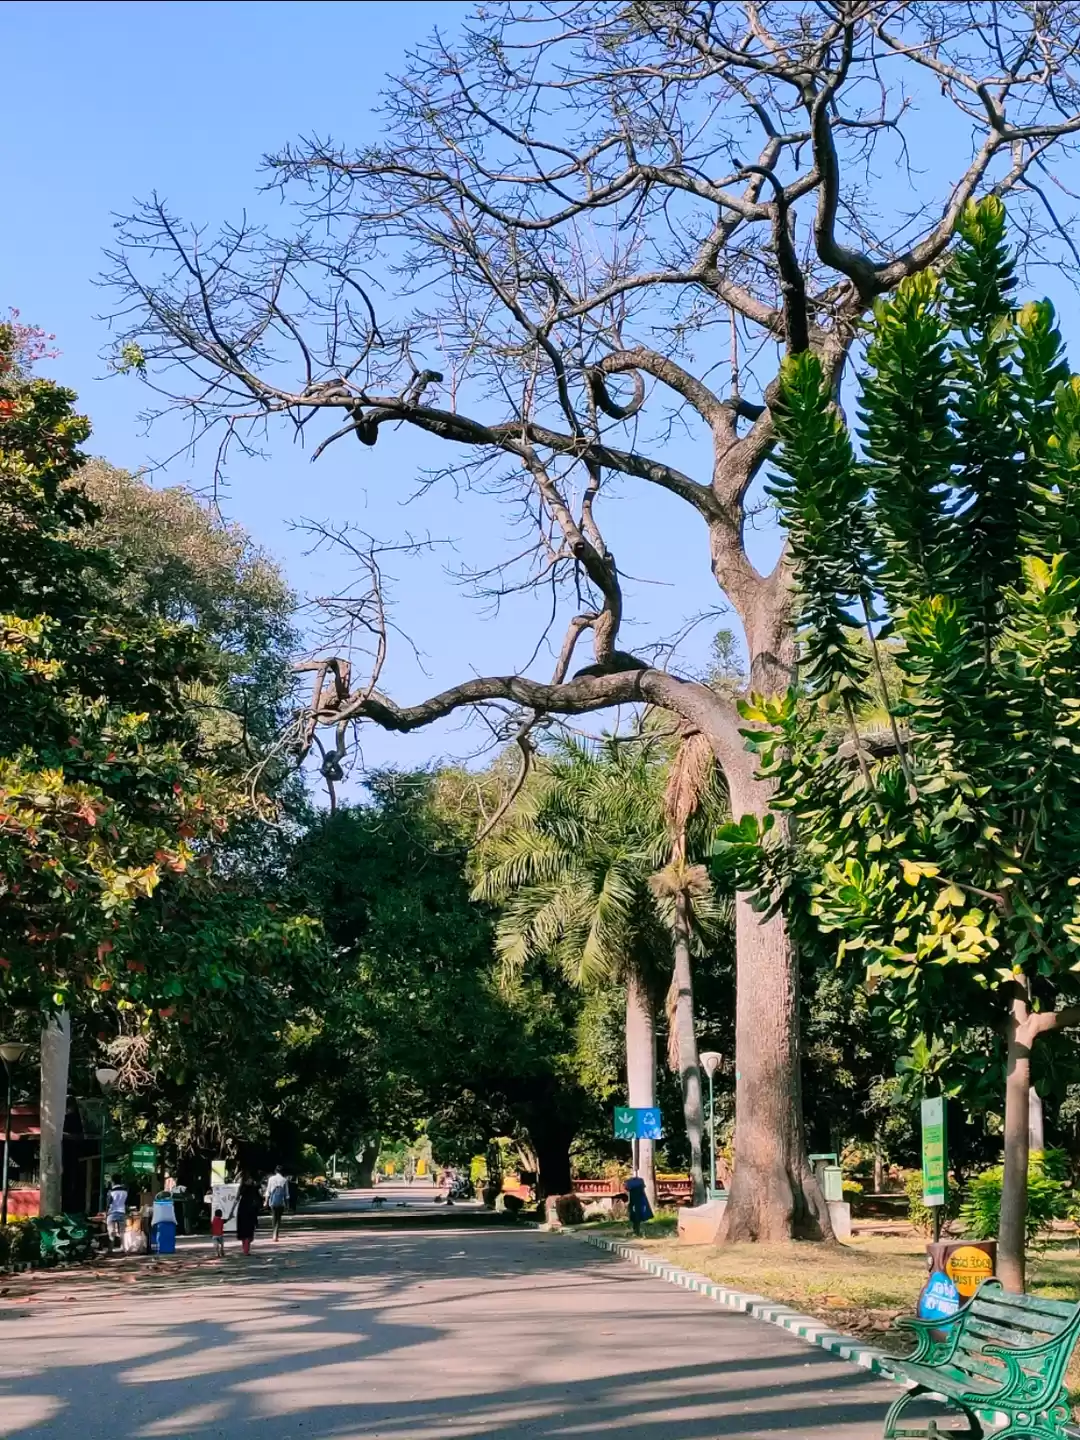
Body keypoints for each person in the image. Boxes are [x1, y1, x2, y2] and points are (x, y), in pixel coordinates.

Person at [234, 1175, 260, 1256]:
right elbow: (258, 1199)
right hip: (250, 1209)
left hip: (243, 1209)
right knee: (249, 1231)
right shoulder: (253, 1188)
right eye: (249, 1179)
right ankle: (246, 1249)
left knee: (244, 1231)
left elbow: (237, 1198)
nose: (251, 1180)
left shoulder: (243, 1187)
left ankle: (245, 1248)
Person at [264, 1165, 288, 1241]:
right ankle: (276, 1233)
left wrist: (266, 1201)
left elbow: (268, 1191)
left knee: (274, 1217)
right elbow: (287, 1194)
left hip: (273, 1201)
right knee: (279, 1218)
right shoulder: (284, 1180)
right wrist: (287, 1205)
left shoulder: (271, 1179)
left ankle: (274, 1233)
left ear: (275, 1171)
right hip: (281, 1202)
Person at [105, 1175, 128, 1249]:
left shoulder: (111, 1192)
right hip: (122, 1212)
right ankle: (123, 1248)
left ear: (113, 1181)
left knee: (111, 1231)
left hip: (112, 1213)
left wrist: (106, 1212)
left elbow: (108, 1203)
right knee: (122, 1232)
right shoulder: (125, 1191)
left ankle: (110, 1249)